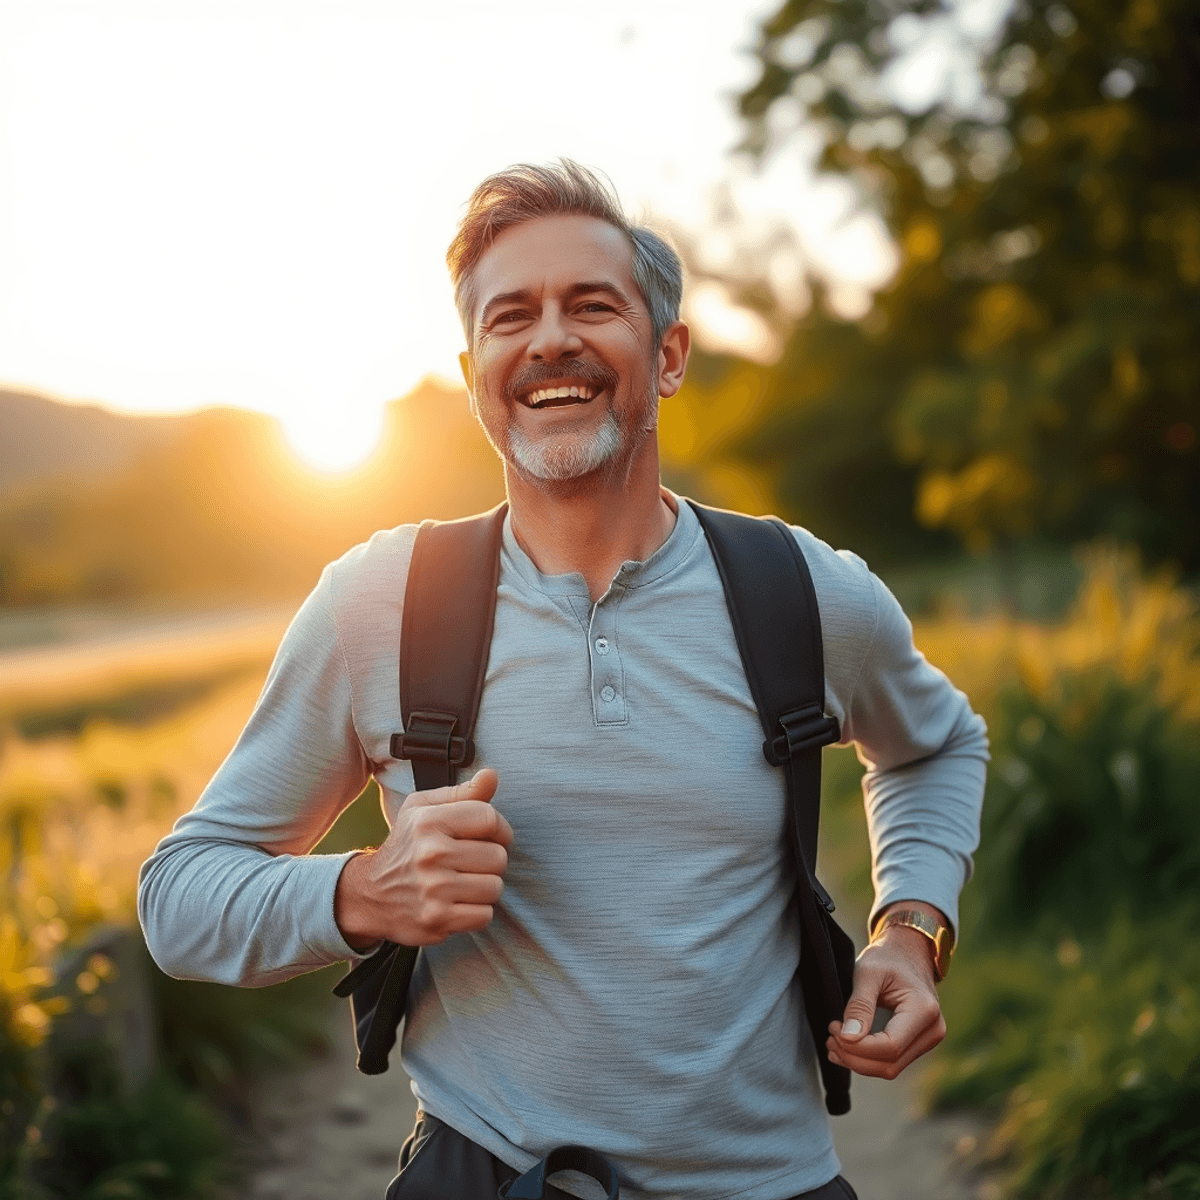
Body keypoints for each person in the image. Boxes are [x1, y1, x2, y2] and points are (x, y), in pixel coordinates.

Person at [139, 159, 987, 1200]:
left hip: (774, 1182)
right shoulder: (381, 604)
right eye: (512, 317)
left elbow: (937, 745)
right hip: (486, 1175)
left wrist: (912, 930)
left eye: (593, 306)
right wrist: (366, 890)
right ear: (475, 374)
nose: (551, 339)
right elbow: (178, 902)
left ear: (667, 354)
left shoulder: (805, 591)